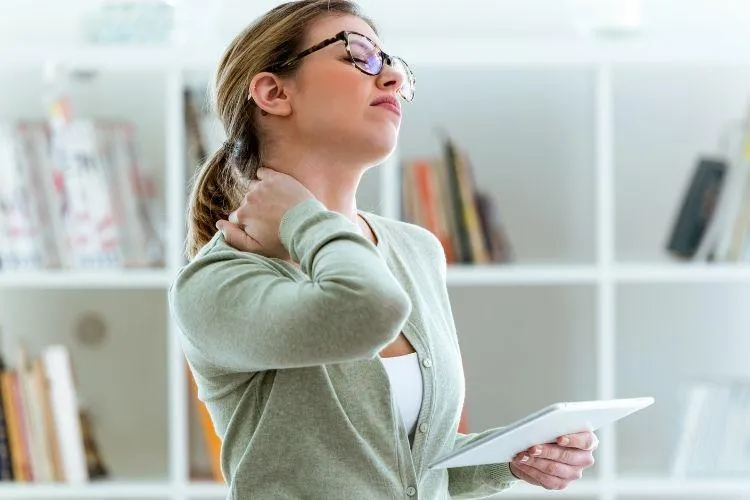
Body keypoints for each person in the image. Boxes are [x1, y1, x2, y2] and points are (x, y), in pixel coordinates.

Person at [168, 1, 598, 498]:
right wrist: (301, 217)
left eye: (395, 64)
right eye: (361, 54)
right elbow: (371, 309)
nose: (392, 75)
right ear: (273, 92)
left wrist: (516, 456)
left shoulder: (416, 250)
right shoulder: (217, 282)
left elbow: (417, 466)